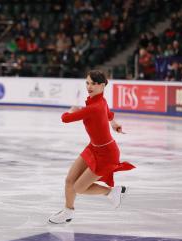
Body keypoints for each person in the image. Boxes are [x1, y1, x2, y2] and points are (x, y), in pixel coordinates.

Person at [49, 70, 135, 224]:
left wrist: (72, 110)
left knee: (79, 188)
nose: (89, 86)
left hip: (106, 154)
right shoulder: (99, 102)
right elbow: (108, 113)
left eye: (94, 84)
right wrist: (114, 123)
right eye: (87, 83)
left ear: (102, 85)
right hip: (93, 148)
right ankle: (68, 212)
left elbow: (66, 119)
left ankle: (111, 192)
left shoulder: (94, 107)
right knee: (70, 180)